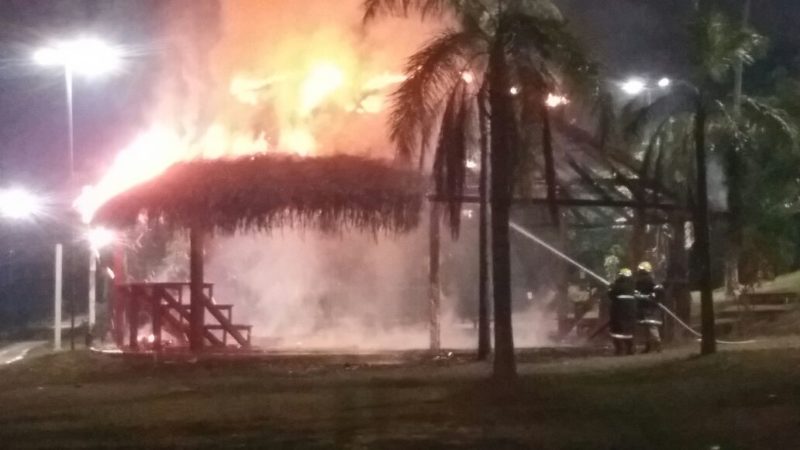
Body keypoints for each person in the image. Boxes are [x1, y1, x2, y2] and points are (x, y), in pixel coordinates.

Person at [635, 261, 665, 353]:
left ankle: (657, 344)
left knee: (651, 326)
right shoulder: (648, 279)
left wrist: (652, 296)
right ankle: (649, 346)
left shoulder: (648, 280)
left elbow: (659, 291)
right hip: (646, 306)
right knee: (648, 327)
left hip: (650, 306)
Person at [608, 268, 637, 355]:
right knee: (628, 329)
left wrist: (610, 288)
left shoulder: (618, 285)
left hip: (619, 309)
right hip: (630, 309)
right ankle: (630, 349)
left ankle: (619, 350)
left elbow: (611, 295)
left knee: (617, 329)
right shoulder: (633, 285)